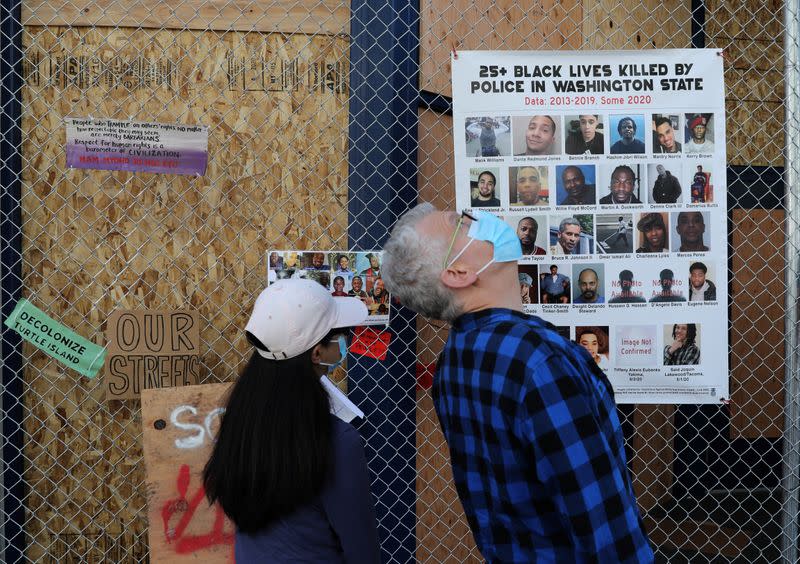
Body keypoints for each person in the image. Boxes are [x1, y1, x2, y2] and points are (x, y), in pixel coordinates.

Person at [380, 204, 653, 562]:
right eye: (460, 222)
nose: (475, 218)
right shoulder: (539, 361)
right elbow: (601, 522)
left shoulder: (454, 360)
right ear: (459, 272)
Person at [203, 279, 380, 563]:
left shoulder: (240, 422)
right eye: (341, 334)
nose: (345, 341)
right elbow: (362, 550)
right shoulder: (336, 440)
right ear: (317, 352)